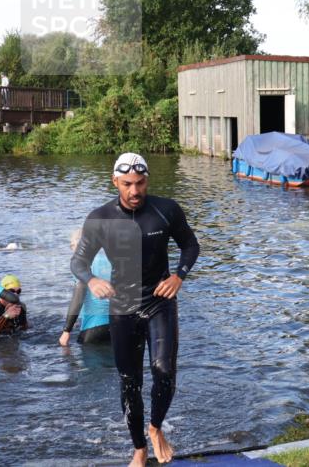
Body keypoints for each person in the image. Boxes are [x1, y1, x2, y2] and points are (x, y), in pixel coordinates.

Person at [71, 153, 199, 466]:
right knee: (130, 381)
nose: (134, 190)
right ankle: (139, 447)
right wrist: (91, 280)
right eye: (127, 183)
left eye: (140, 183)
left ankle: (156, 428)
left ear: (147, 180)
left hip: (159, 300)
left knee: (165, 372)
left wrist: (178, 275)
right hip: (122, 305)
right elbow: (78, 261)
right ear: (115, 181)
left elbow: (191, 245)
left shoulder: (166, 209)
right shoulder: (100, 218)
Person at [59, 230, 111, 346]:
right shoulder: (109, 260)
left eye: (71, 245)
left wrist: (66, 330)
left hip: (94, 327)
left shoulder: (80, 264)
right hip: (119, 326)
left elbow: (79, 295)